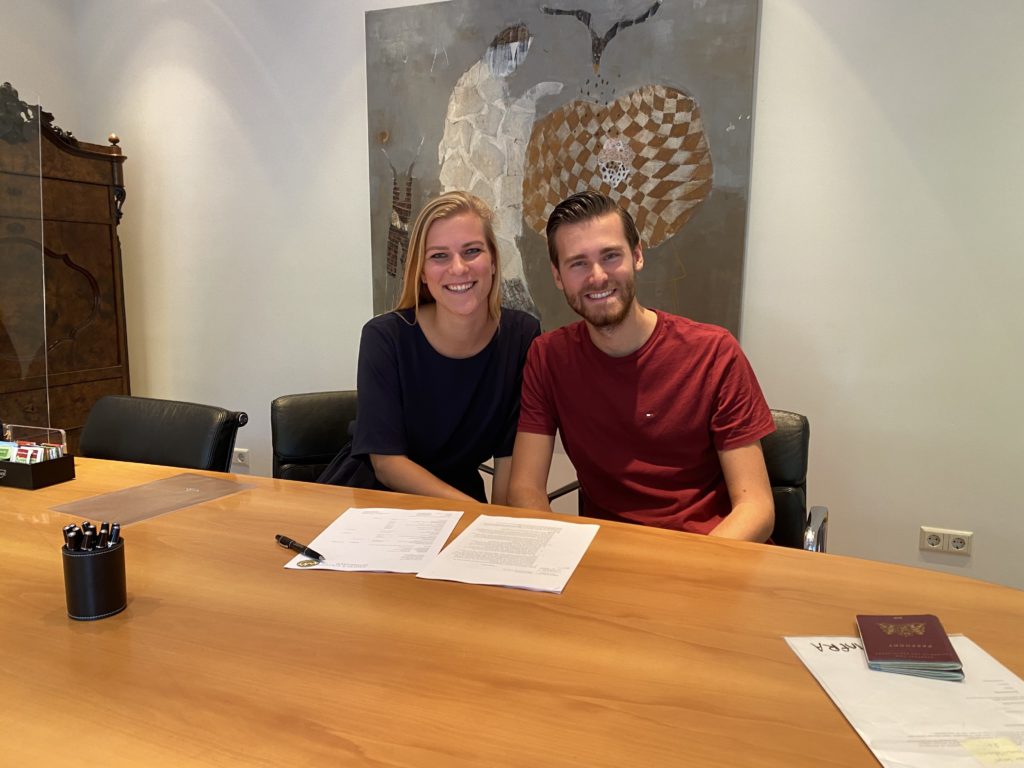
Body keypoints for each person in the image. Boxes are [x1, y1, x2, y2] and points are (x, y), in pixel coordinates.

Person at [507, 191, 775, 541]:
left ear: (637, 256)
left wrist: (688, 569)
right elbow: (525, 490)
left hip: (710, 551)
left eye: (610, 256)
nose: (597, 276)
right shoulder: (548, 358)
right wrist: (555, 553)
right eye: (578, 264)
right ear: (558, 276)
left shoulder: (714, 353)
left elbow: (756, 507)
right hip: (609, 556)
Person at [320, 191, 540, 505]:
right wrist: (478, 513)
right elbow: (387, 464)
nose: (458, 268)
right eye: (439, 256)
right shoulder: (385, 337)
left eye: (472, 251)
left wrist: (500, 523)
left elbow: (509, 456)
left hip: (459, 499)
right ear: (422, 272)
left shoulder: (521, 336)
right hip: (373, 498)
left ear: (493, 261)